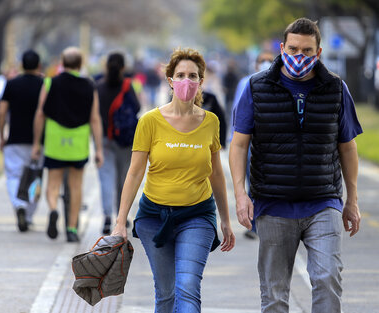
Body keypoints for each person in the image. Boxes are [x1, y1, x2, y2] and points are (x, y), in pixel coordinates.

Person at [229, 18, 362, 313]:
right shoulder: (256, 87)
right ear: (282, 47)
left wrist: (351, 199)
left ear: (319, 53)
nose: (298, 56)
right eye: (293, 49)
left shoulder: (337, 89)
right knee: (274, 294)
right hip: (273, 205)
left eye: (306, 50)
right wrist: (240, 194)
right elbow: (238, 145)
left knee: (327, 279)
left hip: (323, 203)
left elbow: (348, 146)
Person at [111, 48, 235, 312]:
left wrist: (225, 219)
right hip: (154, 217)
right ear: (169, 79)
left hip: (197, 215)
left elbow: (216, 173)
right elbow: (134, 173)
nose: (186, 81)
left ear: (201, 81)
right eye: (180, 75)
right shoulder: (150, 121)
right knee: (166, 294)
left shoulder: (211, 122)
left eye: (193, 76)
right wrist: (121, 221)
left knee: (188, 288)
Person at [31, 47, 104, 242]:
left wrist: (36, 143)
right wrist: (98, 149)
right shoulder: (89, 85)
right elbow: (95, 118)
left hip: (55, 140)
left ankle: (54, 209)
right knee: (76, 186)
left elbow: (40, 113)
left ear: (62, 63)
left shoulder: (50, 83)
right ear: (80, 65)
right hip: (78, 143)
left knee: (53, 184)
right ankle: (72, 229)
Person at [230, 51, 274, 240]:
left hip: (272, 144)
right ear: (256, 65)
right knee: (253, 184)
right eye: (262, 61)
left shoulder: (280, 83)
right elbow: (237, 112)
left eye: (269, 61)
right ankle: (253, 224)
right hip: (250, 144)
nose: (265, 63)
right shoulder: (246, 83)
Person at [0, 50, 44, 232]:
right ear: (39, 66)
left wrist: (2, 136)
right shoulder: (44, 85)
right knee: (35, 177)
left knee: (13, 175)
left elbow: (2, 112)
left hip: (15, 138)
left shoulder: (11, 84)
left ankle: (19, 206)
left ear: (22, 65)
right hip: (39, 140)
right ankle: (30, 215)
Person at [97, 52, 141, 235]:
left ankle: (107, 216)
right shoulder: (128, 86)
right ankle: (121, 217)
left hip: (105, 138)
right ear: (123, 68)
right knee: (123, 178)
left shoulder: (98, 87)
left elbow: (95, 114)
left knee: (106, 177)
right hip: (125, 140)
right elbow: (137, 108)